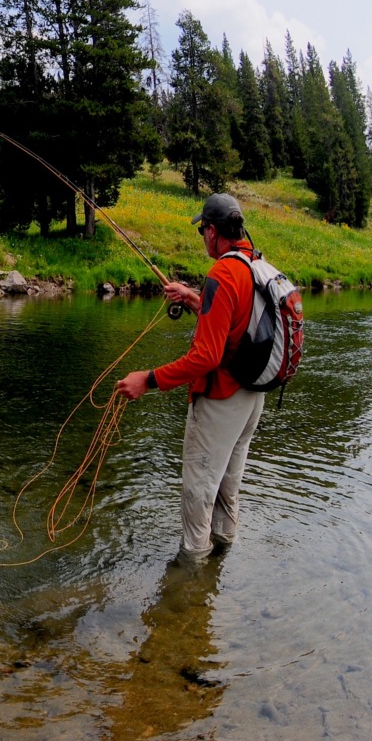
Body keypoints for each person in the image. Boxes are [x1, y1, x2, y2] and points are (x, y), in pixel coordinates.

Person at [116, 193, 266, 560]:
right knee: (228, 488)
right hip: (253, 396)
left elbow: (206, 356)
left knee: (198, 491)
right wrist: (194, 298)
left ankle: (190, 581)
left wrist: (147, 380)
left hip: (222, 399)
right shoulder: (254, 263)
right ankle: (222, 558)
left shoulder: (222, 272)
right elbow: (237, 322)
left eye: (203, 230)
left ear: (213, 231)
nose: (202, 237)